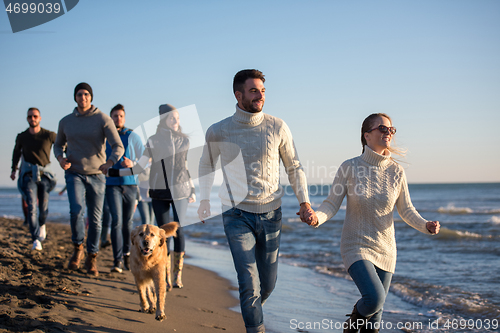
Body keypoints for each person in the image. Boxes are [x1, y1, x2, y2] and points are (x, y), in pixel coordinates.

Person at [197, 69, 315, 333]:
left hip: (272, 214)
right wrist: (204, 197)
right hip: (236, 215)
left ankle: (250, 310)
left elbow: (294, 167)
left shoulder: (277, 126)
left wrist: (304, 202)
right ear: (238, 95)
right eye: (253, 90)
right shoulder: (219, 130)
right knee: (248, 281)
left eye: (262, 90)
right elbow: (206, 164)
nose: (260, 95)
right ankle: (255, 328)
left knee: (268, 283)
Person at [302, 113, 440, 333]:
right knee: (374, 299)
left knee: (374, 322)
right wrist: (316, 218)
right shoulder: (349, 167)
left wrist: (425, 225)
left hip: (386, 250)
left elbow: (406, 210)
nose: (388, 133)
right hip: (356, 245)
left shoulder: (397, 172)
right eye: (382, 129)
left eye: (391, 130)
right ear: (367, 135)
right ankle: (351, 324)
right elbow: (331, 203)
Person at [107, 104, 196, 288]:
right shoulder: (153, 141)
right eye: (172, 118)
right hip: (159, 192)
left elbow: (186, 167)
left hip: (180, 191)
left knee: (179, 232)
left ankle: (177, 275)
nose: (176, 121)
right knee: (162, 234)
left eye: (177, 118)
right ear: (164, 119)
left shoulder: (184, 141)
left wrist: (192, 190)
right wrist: (117, 174)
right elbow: (139, 167)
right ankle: (164, 275)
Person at [54, 82, 124, 277]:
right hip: (74, 172)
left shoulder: (102, 119)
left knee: (95, 219)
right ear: (75, 97)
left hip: (97, 175)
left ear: (91, 97)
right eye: (79, 94)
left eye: (86, 94)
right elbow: (58, 145)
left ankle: (92, 256)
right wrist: (61, 159)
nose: (82, 97)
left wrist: (110, 162)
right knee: (76, 210)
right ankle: (78, 247)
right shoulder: (65, 121)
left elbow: (118, 146)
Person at [104, 104, 144, 273]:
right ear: (110, 118)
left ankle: (127, 255)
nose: (117, 118)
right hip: (111, 184)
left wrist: (133, 163)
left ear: (124, 118)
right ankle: (117, 260)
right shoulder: (105, 136)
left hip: (130, 184)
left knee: (128, 224)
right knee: (116, 221)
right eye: (114, 116)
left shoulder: (132, 136)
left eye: (120, 116)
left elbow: (145, 160)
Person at [11, 107, 57, 251]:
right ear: (27, 118)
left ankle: (42, 224)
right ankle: (36, 239)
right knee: (32, 207)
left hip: (45, 176)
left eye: (35, 116)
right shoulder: (22, 136)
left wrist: (67, 159)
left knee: (43, 209)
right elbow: (16, 153)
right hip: (29, 176)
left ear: (40, 118)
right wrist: (14, 170)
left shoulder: (48, 135)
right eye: (30, 116)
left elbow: (62, 146)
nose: (33, 119)